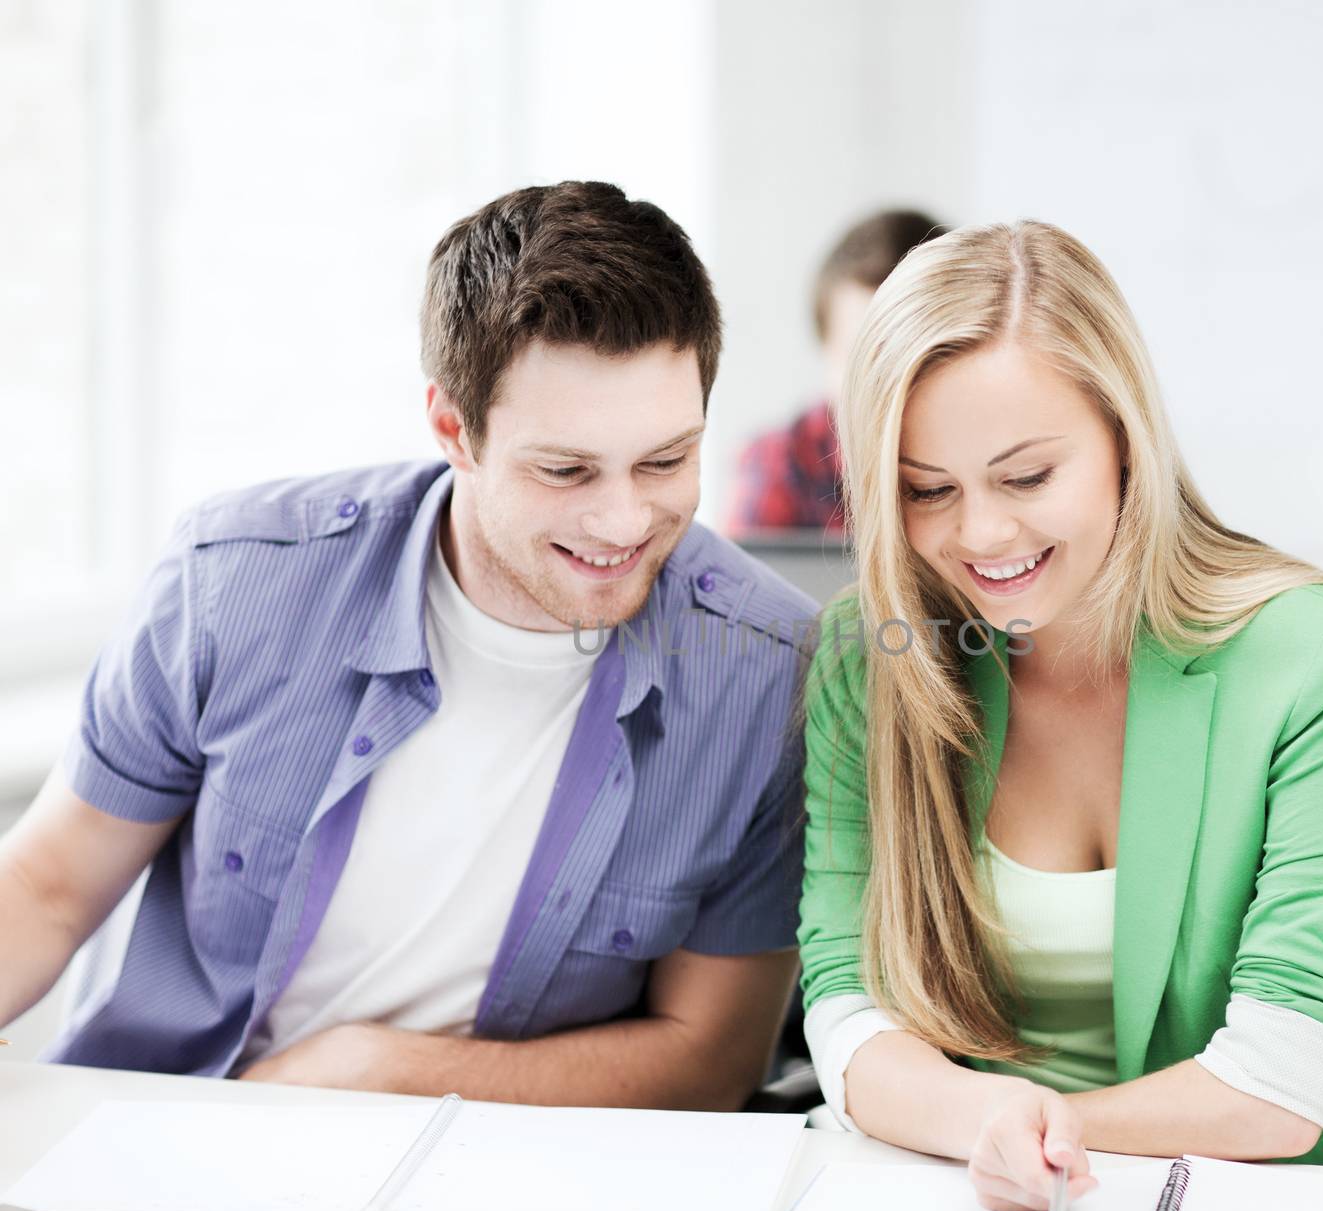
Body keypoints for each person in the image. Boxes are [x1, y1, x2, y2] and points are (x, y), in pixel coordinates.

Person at [0, 182, 815, 1110]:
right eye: (565, 469)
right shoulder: (236, 583)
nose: (625, 518)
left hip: (503, 1180)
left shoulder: (766, 673)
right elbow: (48, 884)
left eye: (666, 461)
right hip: (172, 1137)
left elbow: (710, 1062)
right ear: (452, 430)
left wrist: (377, 1072)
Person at [799, 221, 1323, 1211]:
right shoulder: (868, 659)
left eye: (1027, 476)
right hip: (957, 1210)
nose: (982, 532)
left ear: (1124, 438)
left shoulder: (1313, 652)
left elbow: (1285, 1076)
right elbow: (848, 1011)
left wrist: (1027, 1132)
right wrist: (982, 1131)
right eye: (925, 490)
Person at [727, 209, 944, 535]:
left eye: (912, 358)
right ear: (826, 350)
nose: (885, 386)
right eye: (859, 360)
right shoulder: (781, 460)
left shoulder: (986, 452)